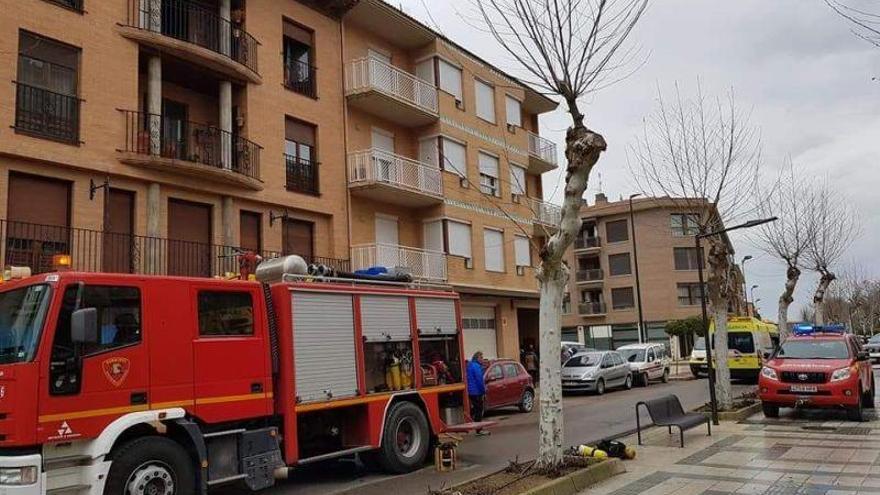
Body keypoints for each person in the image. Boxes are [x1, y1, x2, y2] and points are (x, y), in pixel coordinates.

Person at [466, 351, 490, 436]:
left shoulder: (470, 365)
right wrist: (483, 391)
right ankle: (479, 429)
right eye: (481, 358)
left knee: (476, 410)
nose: (482, 360)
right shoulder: (476, 367)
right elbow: (479, 381)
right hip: (476, 392)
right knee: (479, 411)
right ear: (477, 358)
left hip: (471, 391)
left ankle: (477, 427)